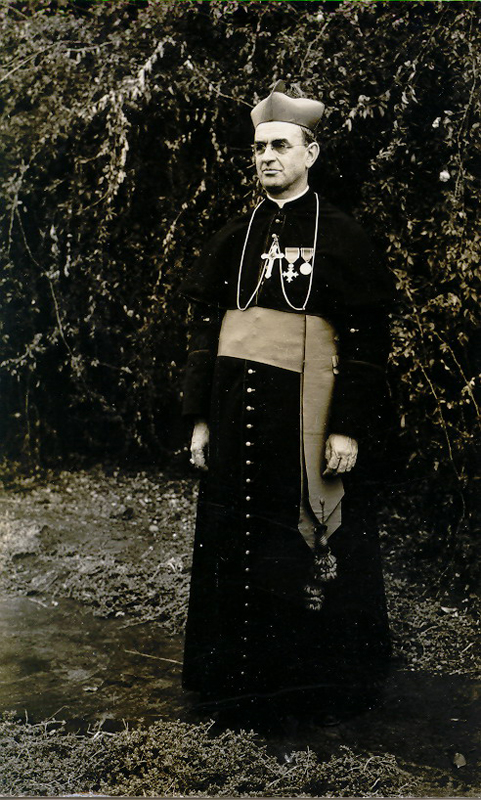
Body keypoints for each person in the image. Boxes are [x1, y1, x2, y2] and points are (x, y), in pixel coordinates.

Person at [180, 81, 394, 723]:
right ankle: (232, 682)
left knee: (313, 538)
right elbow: (204, 329)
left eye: (280, 145)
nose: (267, 156)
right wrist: (198, 418)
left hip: (308, 413)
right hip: (236, 410)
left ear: (311, 152)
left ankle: (321, 690)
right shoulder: (235, 233)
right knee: (236, 539)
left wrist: (347, 427)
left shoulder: (343, 234)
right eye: (259, 148)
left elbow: (367, 340)